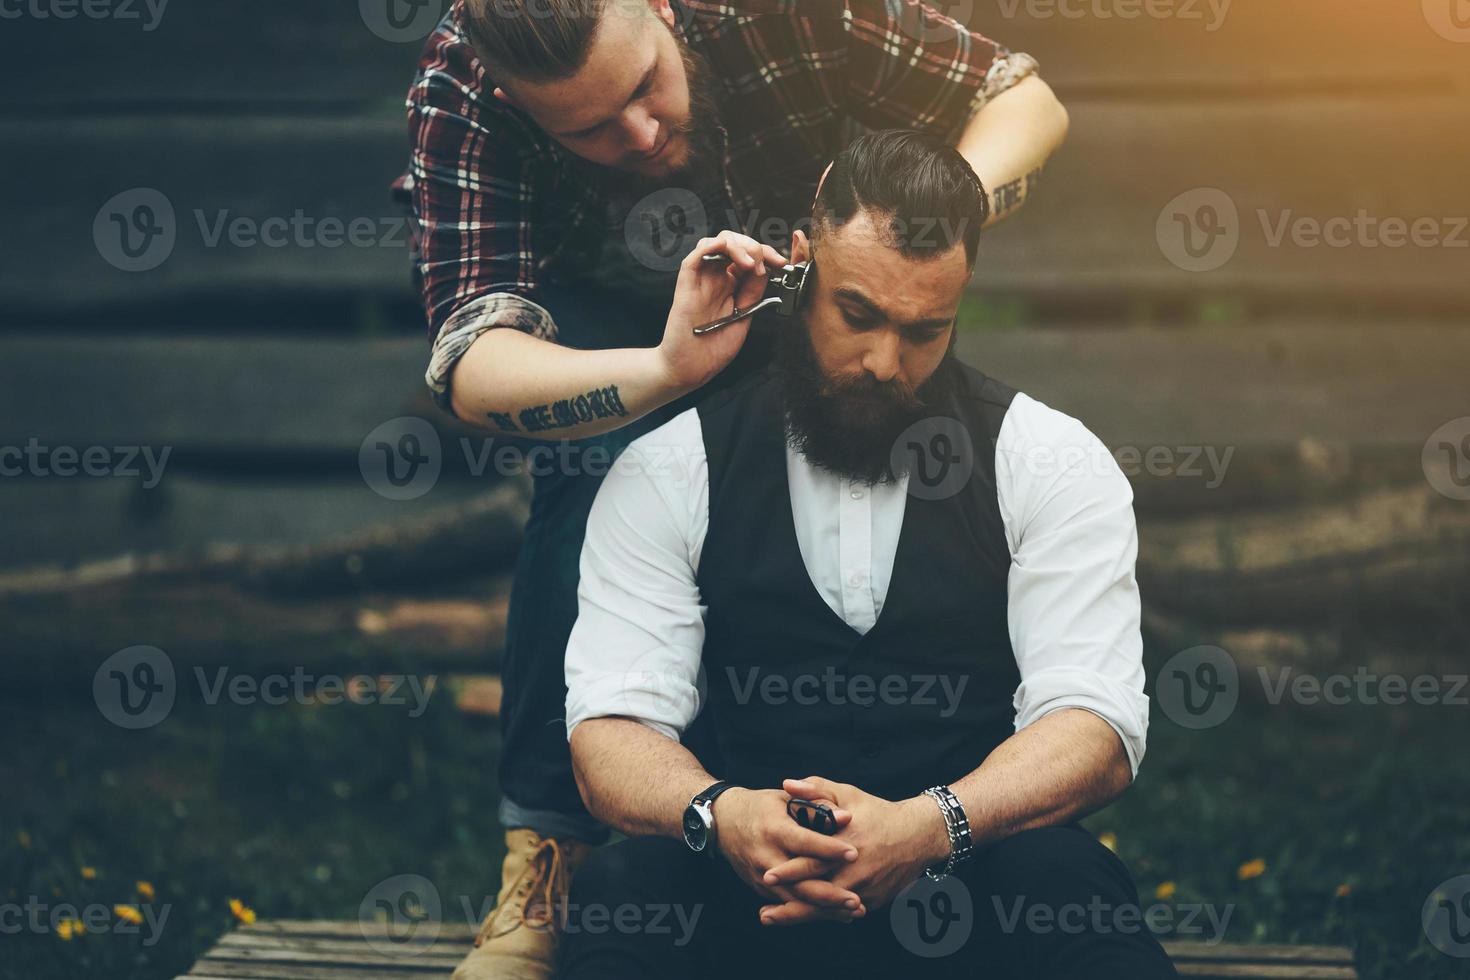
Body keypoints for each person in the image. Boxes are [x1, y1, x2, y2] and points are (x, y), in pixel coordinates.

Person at [395, 3, 1068, 976]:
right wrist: (664, 371)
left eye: (642, 88)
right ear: (513, 97)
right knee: (591, 475)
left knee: (917, 438)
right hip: (612, 342)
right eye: (585, 127)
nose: (635, 134)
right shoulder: (461, 89)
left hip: (810, 290)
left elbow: (1026, 99)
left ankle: (1000, 814)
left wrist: (906, 228)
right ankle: (550, 858)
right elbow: (471, 366)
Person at [558, 129, 1176, 979]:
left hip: (965, 890)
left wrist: (930, 827)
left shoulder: (1049, 460)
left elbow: (1094, 725)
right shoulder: (675, 465)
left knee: (1066, 883)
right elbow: (610, 732)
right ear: (802, 263)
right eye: (858, 315)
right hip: (752, 898)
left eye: (926, 331)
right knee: (630, 888)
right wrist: (721, 813)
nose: (886, 362)